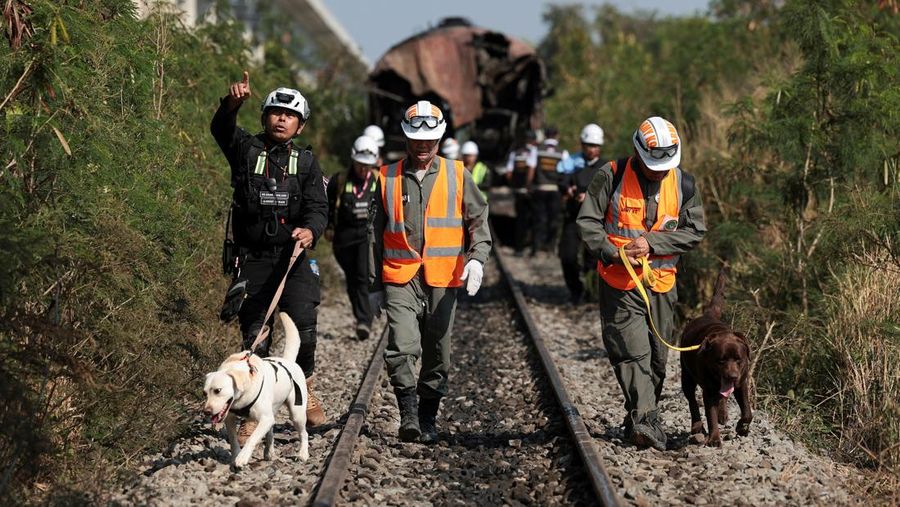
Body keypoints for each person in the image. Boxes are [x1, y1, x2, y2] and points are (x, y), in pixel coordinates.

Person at [210, 71, 329, 435]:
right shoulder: (245, 150)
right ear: (264, 117)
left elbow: (318, 208)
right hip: (253, 260)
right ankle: (252, 415)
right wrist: (232, 104)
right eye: (275, 112)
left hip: (293, 259)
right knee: (255, 338)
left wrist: (310, 230)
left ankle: (304, 385)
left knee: (304, 327)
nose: (281, 118)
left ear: (300, 125)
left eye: (290, 115)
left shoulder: (307, 163)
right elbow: (221, 129)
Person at [577, 116, 706, 451]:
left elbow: (695, 231)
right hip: (619, 282)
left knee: (657, 361)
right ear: (637, 153)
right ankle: (647, 421)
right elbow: (588, 222)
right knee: (633, 352)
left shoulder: (684, 184)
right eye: (653, 167)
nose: (659, 172)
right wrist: (612, 251)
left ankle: (638, 416)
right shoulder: (611, 175)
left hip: (662, 284)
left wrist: (653, 244)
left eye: (664, 167)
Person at [368, 100, 492, 444]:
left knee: (438, 350)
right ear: (406, 139)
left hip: (443, 277)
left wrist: (477, 258)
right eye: (417, 141)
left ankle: (427, 417)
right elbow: (373, 235)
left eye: (430, 142)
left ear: (439, 140)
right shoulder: (386, 177)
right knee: (402, 345)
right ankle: (408, 413)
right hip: (400, 275)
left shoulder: (457, 174)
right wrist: (372, 285)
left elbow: (478, 220)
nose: (423, 148)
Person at [325, 135, 379, 340]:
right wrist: (328, 228)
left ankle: (364, 321)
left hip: (367, 235)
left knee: (362, 276)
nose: (363, 170)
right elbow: (328, 207)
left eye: (367, 166)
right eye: (360, 165)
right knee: (351, 279)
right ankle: (360, 315)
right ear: (353, 161)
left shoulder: (378, 181)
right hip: (343, 237)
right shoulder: (339, 180)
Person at [557, 123, 605, 304]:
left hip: (596, 221)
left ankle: (591, 292)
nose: (591, 150)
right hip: (573, 218)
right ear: (582, 145)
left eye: (595, 146)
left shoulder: (606, 167)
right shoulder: (573, 164)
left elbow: (610, 192)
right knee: (567, 256)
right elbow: (562, 181)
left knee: (593, 260)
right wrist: (568, 190)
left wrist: (590, 196)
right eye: (588, 146)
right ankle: (575, 290)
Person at [532, 127, 567, 253]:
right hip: (555, 189)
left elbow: (531, 168)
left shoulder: (537, 150)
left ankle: (536, 246)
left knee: (539, 218)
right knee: (553, 219)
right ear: (556, 135)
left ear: (545, 135)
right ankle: (550, 246)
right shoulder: (562, 152)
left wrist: (529, 185)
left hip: (540, 188)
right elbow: (566, 171)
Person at [505, 131, 538, 256]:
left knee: (520, 220)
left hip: (518, 191)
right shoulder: (534, 151)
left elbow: (508, 173)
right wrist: (528, 185)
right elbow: (532, 169)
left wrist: (515, 184)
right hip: (531, 191)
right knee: (535, 220)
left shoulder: (515, 153)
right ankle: (533, 248)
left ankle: (519, 248)